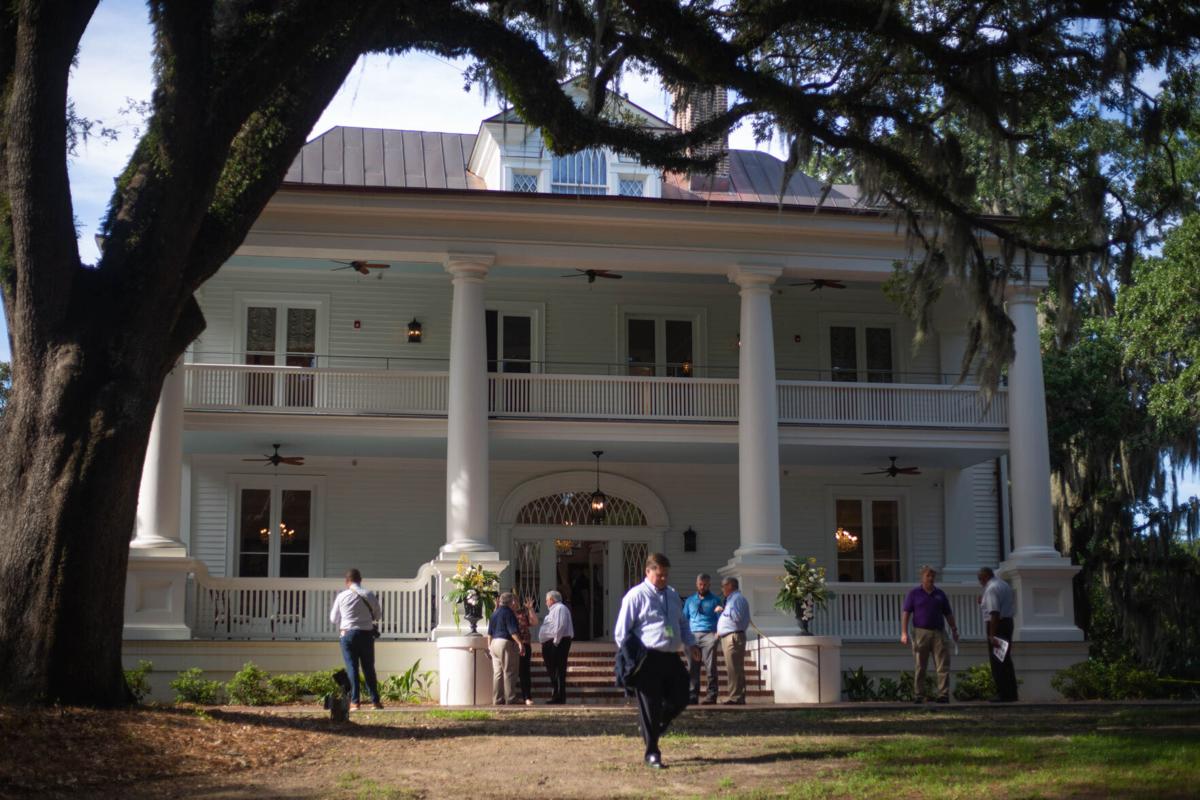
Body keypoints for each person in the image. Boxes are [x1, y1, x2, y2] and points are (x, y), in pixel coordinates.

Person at [614, 552, 701, 769]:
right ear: (648, 572)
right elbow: (621, 632)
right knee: (649, 706)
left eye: (666, 576)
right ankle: (652, 753)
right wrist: (631, 658)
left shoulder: (672, 595)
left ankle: (658, 722)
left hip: (671, 656)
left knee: (683, 695)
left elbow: (681, 623)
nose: (663, 579)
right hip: (647, 659)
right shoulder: (635, 596)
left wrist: (691, 644)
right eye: (659, 575)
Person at [900, 565, 959, 704]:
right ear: (922, 577)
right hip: (921, 632)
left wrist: (954, 629)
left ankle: (943, 694)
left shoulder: (940, 594)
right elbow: (906, 613)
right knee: (920, 665)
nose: (931, 578)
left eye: (933, 576)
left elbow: (948, 613)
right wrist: (903, 632)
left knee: (942, 665)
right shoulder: (914, 593)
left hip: (939, 632)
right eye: (928, 576)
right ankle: (919, 695)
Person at [329, 568, 384, 710]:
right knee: (368, 668)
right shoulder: (369, 595)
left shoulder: (342, 596)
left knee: (352, 668)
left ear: (347, 582)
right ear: (360, 580)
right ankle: (375, 701)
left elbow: (333, 619)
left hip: (347, 635)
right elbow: (378, 616)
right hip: (366, 635)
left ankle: (355, 702)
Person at [978, 567, 1019, 702]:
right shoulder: (1003, 584)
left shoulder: (991, 589)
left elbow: (994, 613)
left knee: (998, 661)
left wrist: (992, 635)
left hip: (997, 626)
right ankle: (1012, 693)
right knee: (1005, 659)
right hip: (1008, 623)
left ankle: (1003, 694)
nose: (980, 583)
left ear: (984, 578)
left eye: (980, 580)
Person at [683, 573, 723, 705]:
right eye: (700, 584)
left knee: (710, 666)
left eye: (705, 584)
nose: (703, 586)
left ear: (709, 585)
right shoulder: (690, 601)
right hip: (693, 636)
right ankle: (692, 695)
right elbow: (684, 619)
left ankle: (711, 695)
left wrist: (717, 634)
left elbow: (720, 619)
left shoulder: (715, 600)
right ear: (697, 584)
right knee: (693, 667)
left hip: (708, 635)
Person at [715, 576, 750, 705]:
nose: (722, 589)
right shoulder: (732, 599)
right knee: (734, 668)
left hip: (733, 637)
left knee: (734, 668)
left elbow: (737, 617)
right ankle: (737, 696)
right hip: (730, 636)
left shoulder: (737, 599)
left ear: (730, 586)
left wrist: (724, 612)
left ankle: (735, 697)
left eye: (723, 586)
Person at [487, 592, 524, 705]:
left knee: (497, 673)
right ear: (512, 602)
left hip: (494, 643)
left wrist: (489, 646)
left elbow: (489, 632)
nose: (516, 603)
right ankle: (511, 698)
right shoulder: (509, 613)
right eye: (515, 601)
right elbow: (512, 630)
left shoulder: (495, 613)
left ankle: (497, 699)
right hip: (505, 643)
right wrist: (520, 643)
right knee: (510, 671)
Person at [539, 590, 575, 704]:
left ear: (552, 600)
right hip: (552, 643)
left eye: (546, 600)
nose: (545, 602)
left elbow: (561, 625)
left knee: (558, 669)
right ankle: (556, 695)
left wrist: (555, 642)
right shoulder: (552, 611)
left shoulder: (560, 608)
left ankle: (559, 696)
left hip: (559, 643)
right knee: (553, 670)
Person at [514, 592, 540, 706]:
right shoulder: (505, 613)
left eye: (516, 600)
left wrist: (530, 609)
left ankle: (527, 697)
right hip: (511, 646)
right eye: (512, 600)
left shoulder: (522, 613)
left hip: (524, 645)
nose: (514, 602)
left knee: (524, 672)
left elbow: (534, 622)